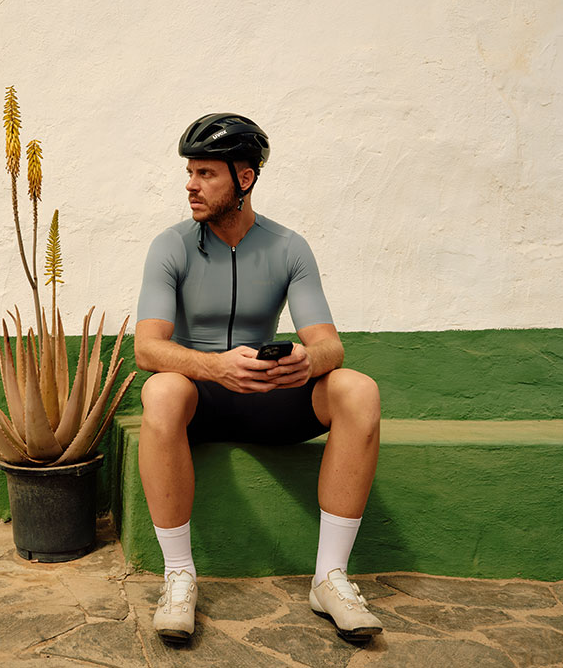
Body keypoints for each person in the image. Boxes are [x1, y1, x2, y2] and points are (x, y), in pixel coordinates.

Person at [135, 113, 383, 644]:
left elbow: (330, 344)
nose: (191, 185)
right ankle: (179, 575)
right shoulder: (171, 246)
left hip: (268, 395)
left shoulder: (289, 247)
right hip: (200, 399)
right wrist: (214, 366)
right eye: (190, 172)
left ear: (244, 179)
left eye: (206, 174)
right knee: (160, 390)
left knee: (357, 389)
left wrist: (308, 362)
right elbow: (147, 348)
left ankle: (330, 578)